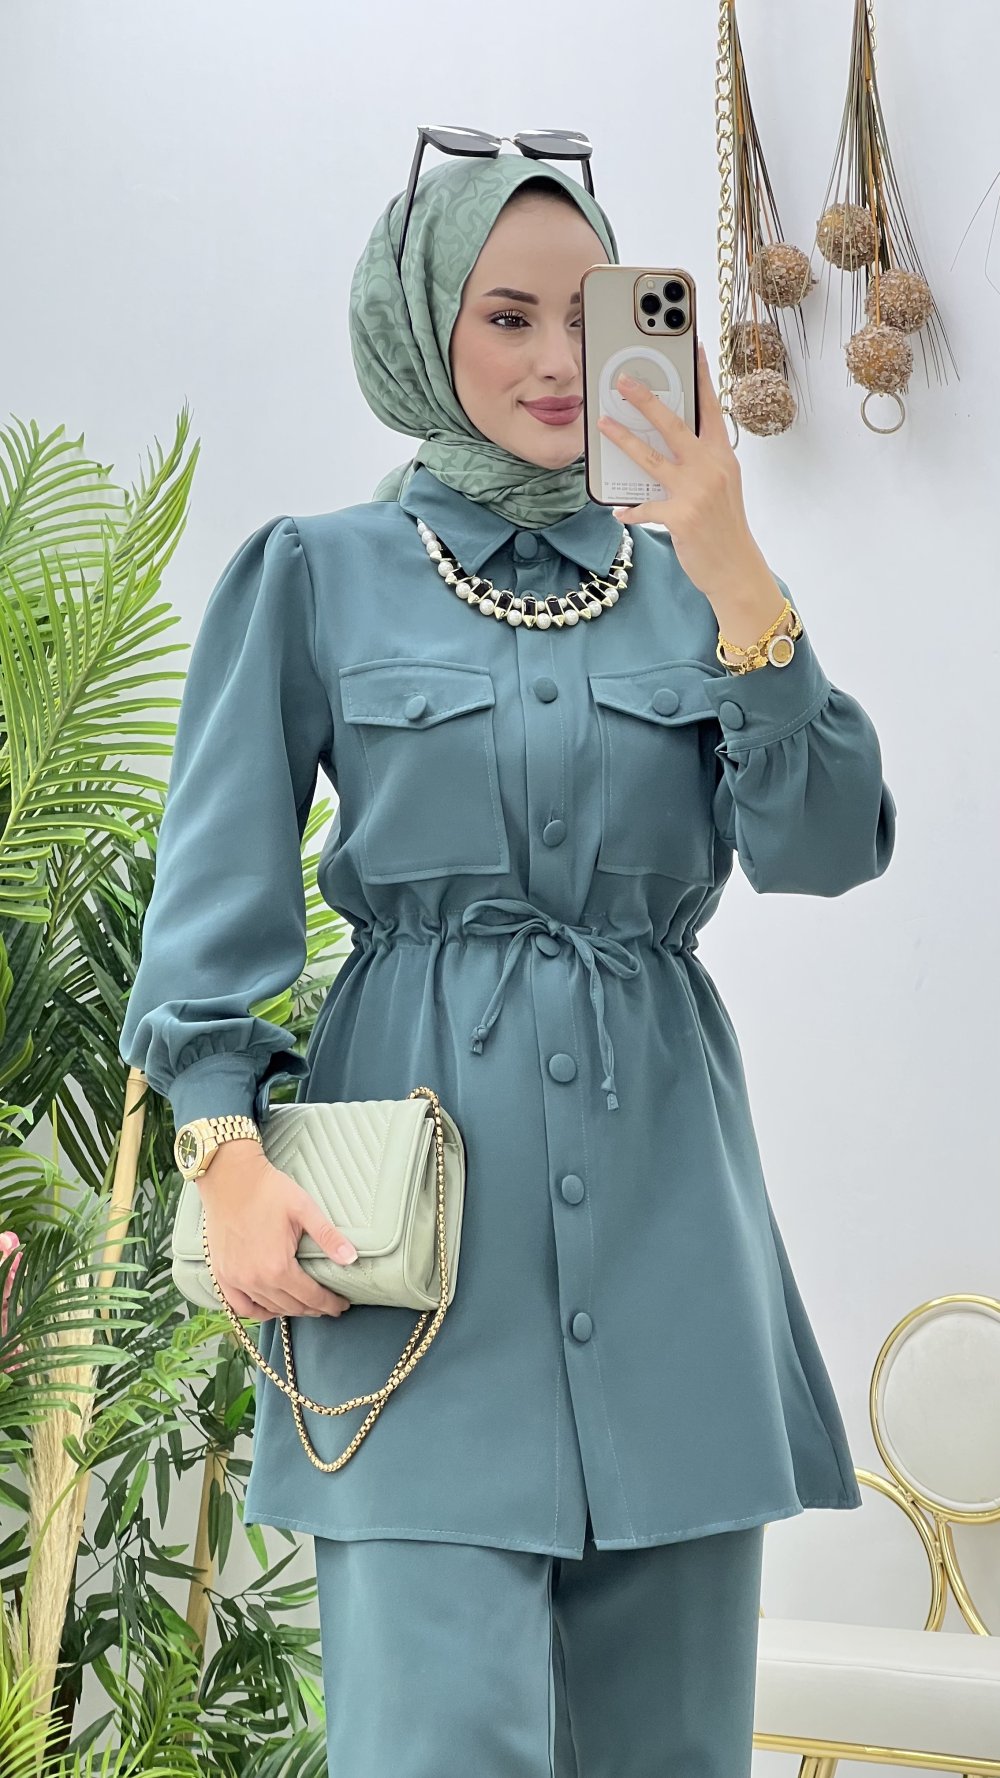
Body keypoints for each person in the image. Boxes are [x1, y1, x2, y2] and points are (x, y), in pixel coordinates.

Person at [119, 148, 896, 1776]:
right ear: (422, 327)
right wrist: (223, 1154)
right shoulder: (315, 572)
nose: (557, 360)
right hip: (409, 1276)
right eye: (507, 315)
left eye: (585, 314)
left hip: (674, 1256)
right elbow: (214, 902)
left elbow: (827, 845)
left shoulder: (696, 581)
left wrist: (737, 568)